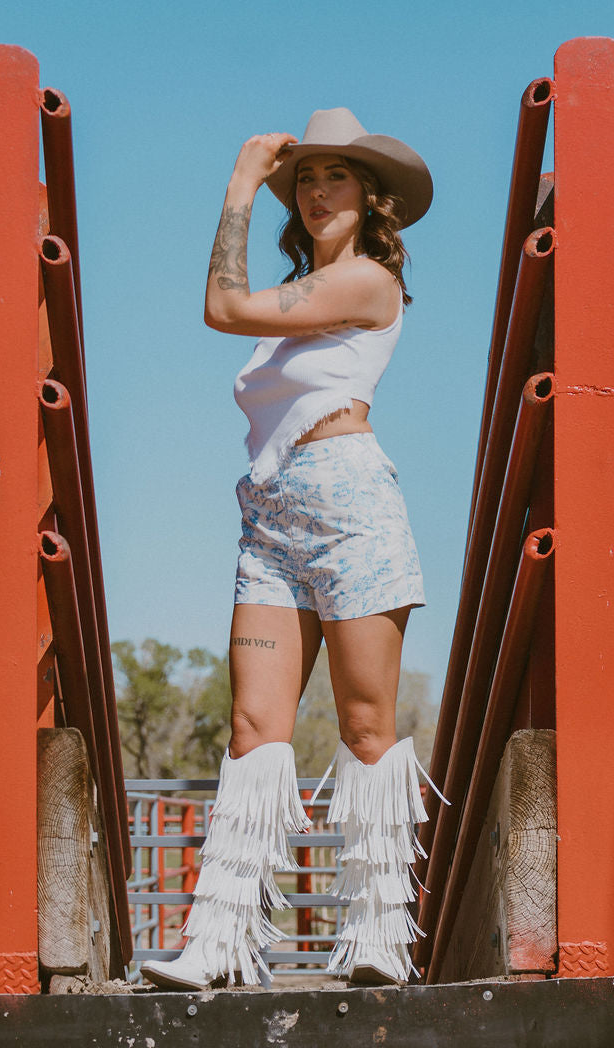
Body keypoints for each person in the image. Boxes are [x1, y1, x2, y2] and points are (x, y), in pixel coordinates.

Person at [141, 109, 441, 993]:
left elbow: (221, 307)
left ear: (373, 198)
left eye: (336, 176)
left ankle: (379, 938)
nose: (316, 192)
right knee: (253, 726)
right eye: (304, 178)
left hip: (352, 507)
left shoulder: (369, 281)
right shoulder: (296, 305)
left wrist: (241, 181)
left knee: (365, 723)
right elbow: (237, 313)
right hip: (270, 518)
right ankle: (218, 941)